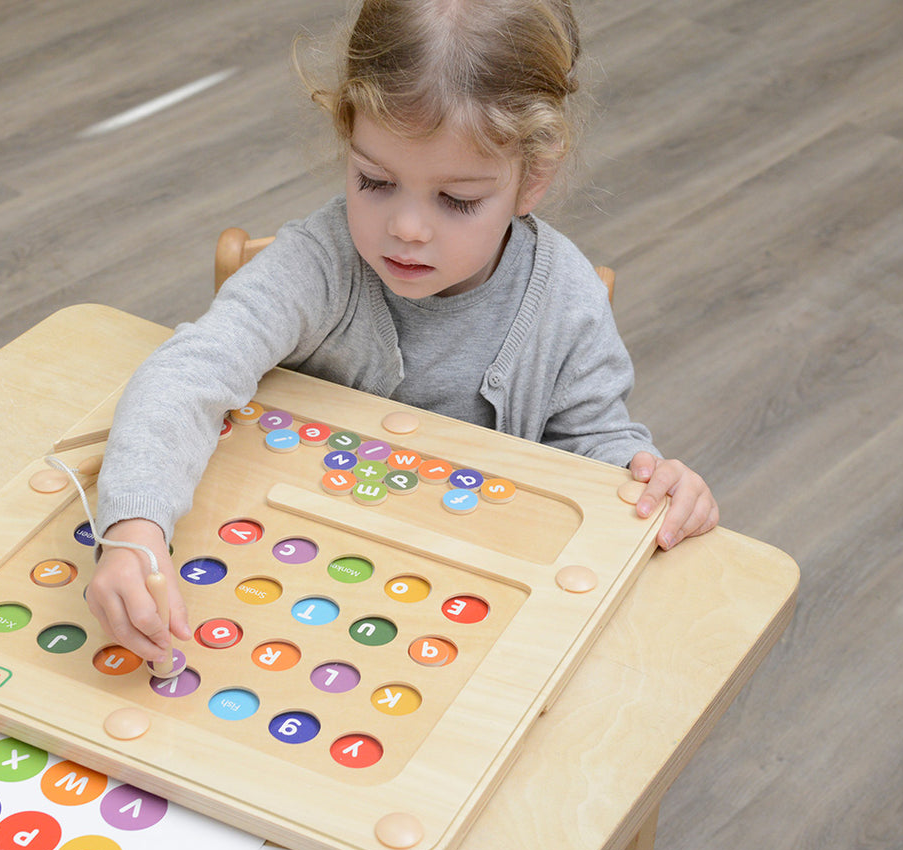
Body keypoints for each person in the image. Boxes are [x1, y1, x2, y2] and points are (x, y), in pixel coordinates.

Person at [86, 0, 718, 666]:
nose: (407, 228)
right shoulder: (318, 264)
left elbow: (594, 446)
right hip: (287, 576)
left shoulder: (567, 300)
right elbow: (186, 374)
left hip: (461, 611)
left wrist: (650, 483)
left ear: (531, 177)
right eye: (375, 181)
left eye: (457, 200)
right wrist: (133, 528)